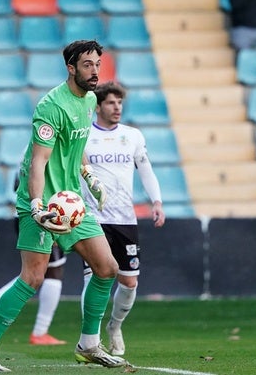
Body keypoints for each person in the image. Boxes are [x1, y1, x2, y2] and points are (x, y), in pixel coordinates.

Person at [0, 40, 130, 372]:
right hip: (42, 203)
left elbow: (77, 144)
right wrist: (38, 206)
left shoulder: (88, 100)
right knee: (32, 278)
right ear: (71, 68)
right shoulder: (51, 107)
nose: (95, 70)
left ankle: (88, 345)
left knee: (107, 268)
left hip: (71, 201)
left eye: (98, 63)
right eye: (87, 64)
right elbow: (39, 161)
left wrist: (89, 174)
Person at [80, 81, 165, 356]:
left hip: (125, 219)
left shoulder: (133, 136)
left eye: (120, 103)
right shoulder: (84, 136)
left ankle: (114, 327)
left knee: (129, 283)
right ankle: (89, 339)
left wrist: (157, 201)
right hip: (92, 218)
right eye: (110, 103)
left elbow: (146, 170)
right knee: (94, 278)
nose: (117, 107)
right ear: (98, 106)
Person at [0, 171, 68, 346]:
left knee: (42, 271)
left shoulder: (33, 147)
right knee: (47, 272)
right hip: (42, 216)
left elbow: (17, 183)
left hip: (29, 214)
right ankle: (38, 332)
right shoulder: (48, 146)